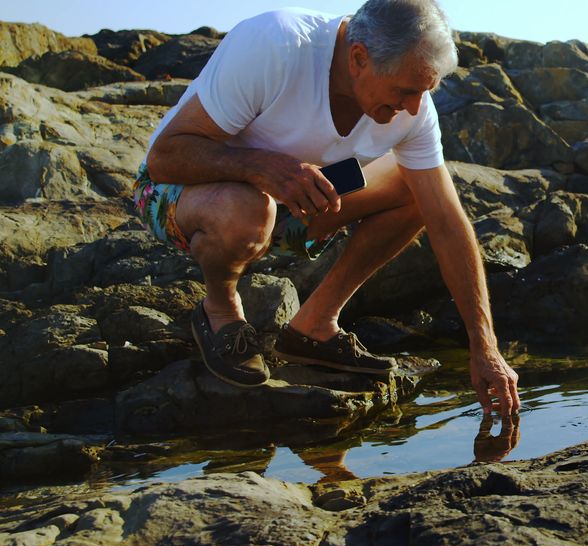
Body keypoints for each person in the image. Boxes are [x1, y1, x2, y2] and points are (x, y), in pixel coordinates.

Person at [135, 0, 521, 417]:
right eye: (406, 91)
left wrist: (485, 346)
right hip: (180, 191)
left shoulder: (412, 109)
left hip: (294, 202)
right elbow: (164, 157)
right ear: (359, 58)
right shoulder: (277, 45)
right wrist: (261, 167)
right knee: (247, 210)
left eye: (423, 93)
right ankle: (221, 311)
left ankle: (314, 326)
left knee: (418, 190)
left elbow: (446, 221)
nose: (413, 107)